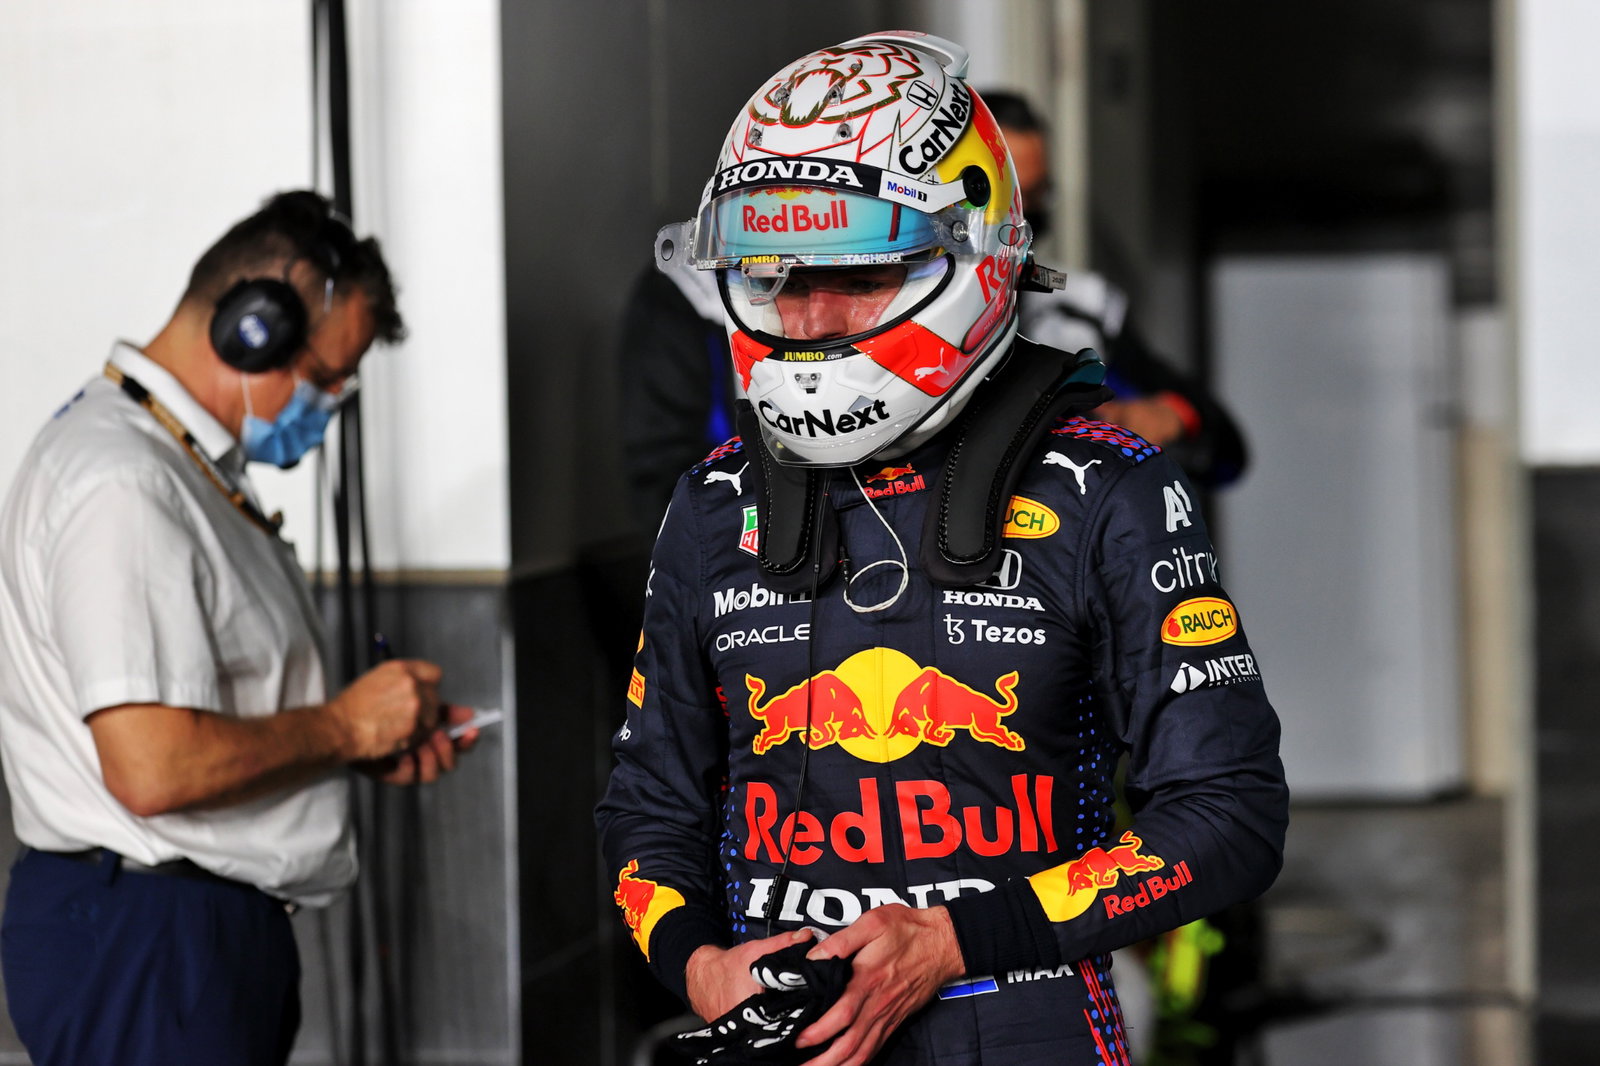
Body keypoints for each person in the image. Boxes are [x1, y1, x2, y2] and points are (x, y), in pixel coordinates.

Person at [596, 31, 1288, 1066]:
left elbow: (1230, 816)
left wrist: (955, 939)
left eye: (859, 272)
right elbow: (648, 804)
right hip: (790, 1035)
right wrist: (699, 960)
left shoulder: (1110, 491)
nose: (810, 319)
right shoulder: (710, 505)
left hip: (1022, 1023)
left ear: (973, 258)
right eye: (775, 275)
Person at [0, 190, 481, 1066]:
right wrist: (342, 725)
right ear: (251, 332)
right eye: (330, 376)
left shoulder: (172, 467)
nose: (333, 403)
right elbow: (151, 766)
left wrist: (349, 746)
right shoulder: (123, 486)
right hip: (151, 944)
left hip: (184, 936)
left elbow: (196, 716)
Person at [617, 95, 1246, 535]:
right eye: (784, 284)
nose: (815, 315)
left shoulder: (1075, 306)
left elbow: (1222, 442)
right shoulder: (698, 296)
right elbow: (666, 502)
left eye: (1031, 209)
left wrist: (1162, 418)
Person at [983, 90, 1248, 489]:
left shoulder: (1080, 305)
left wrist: (1166, 415)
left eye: (1035, 198)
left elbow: (1225, 450)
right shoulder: (885, 297)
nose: (1022, 220)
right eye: (1009, 198)